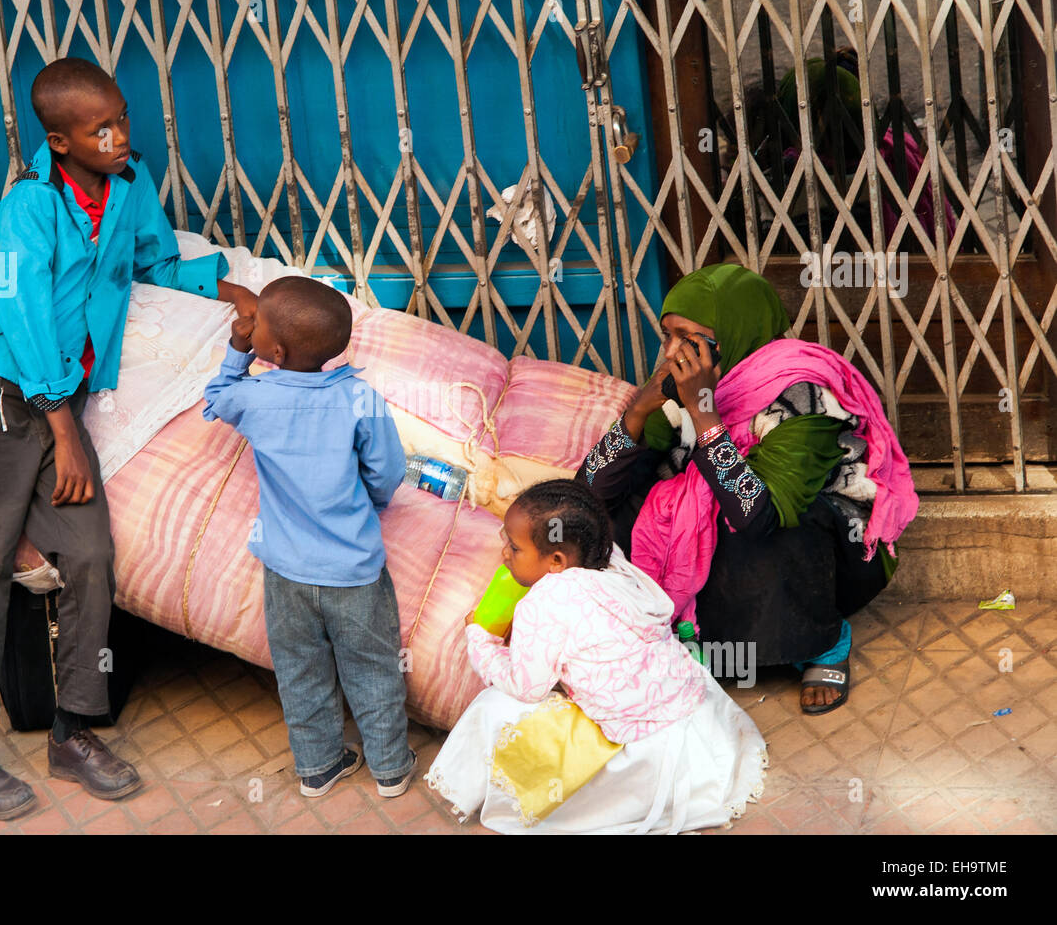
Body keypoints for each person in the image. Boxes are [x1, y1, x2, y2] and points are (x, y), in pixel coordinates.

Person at [0, 57, 257, 820]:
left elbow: (153, 263)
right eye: (99, 128)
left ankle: (73, 730)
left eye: (120, 119)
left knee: (89, 554)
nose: (118, 136)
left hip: (59, 405)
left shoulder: (129, 185)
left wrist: (230, 286)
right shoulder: (27, 204)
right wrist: (62, 426)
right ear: (58, 139)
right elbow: (22, 312)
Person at [577, 263, 919, 714]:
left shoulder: (802, 393)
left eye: (689, 339)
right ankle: (698, 634)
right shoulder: (681, 387)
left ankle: (823, 643)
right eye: (668, 336)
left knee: (763, 528)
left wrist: (704, 413)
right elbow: (588, 492)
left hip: (819, 552)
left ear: (734, 335)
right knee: (612, 515)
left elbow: (757, 514)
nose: (673, 353)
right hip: (728, 535)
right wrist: (640, 409)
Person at [425, 480, 767, 834]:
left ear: (556, 560)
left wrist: (479, 638)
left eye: (514, 547)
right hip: (687, 714)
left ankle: (495, 794)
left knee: (494, 704)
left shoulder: (544, 603)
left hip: (639, 748)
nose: (504, 554)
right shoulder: (611, 560)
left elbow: (526, 688)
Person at [201, 276, 416, 798]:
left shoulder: (255, 396)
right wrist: (371, 504)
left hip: (286, 572)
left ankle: (317, 768)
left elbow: (216, 399)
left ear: (270, 349)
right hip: (355, 570)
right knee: (373, 668)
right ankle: (390, 768)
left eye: (259, 327)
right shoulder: (361, 397)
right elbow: (387, 471)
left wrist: (235, 349)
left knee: (300, 672)